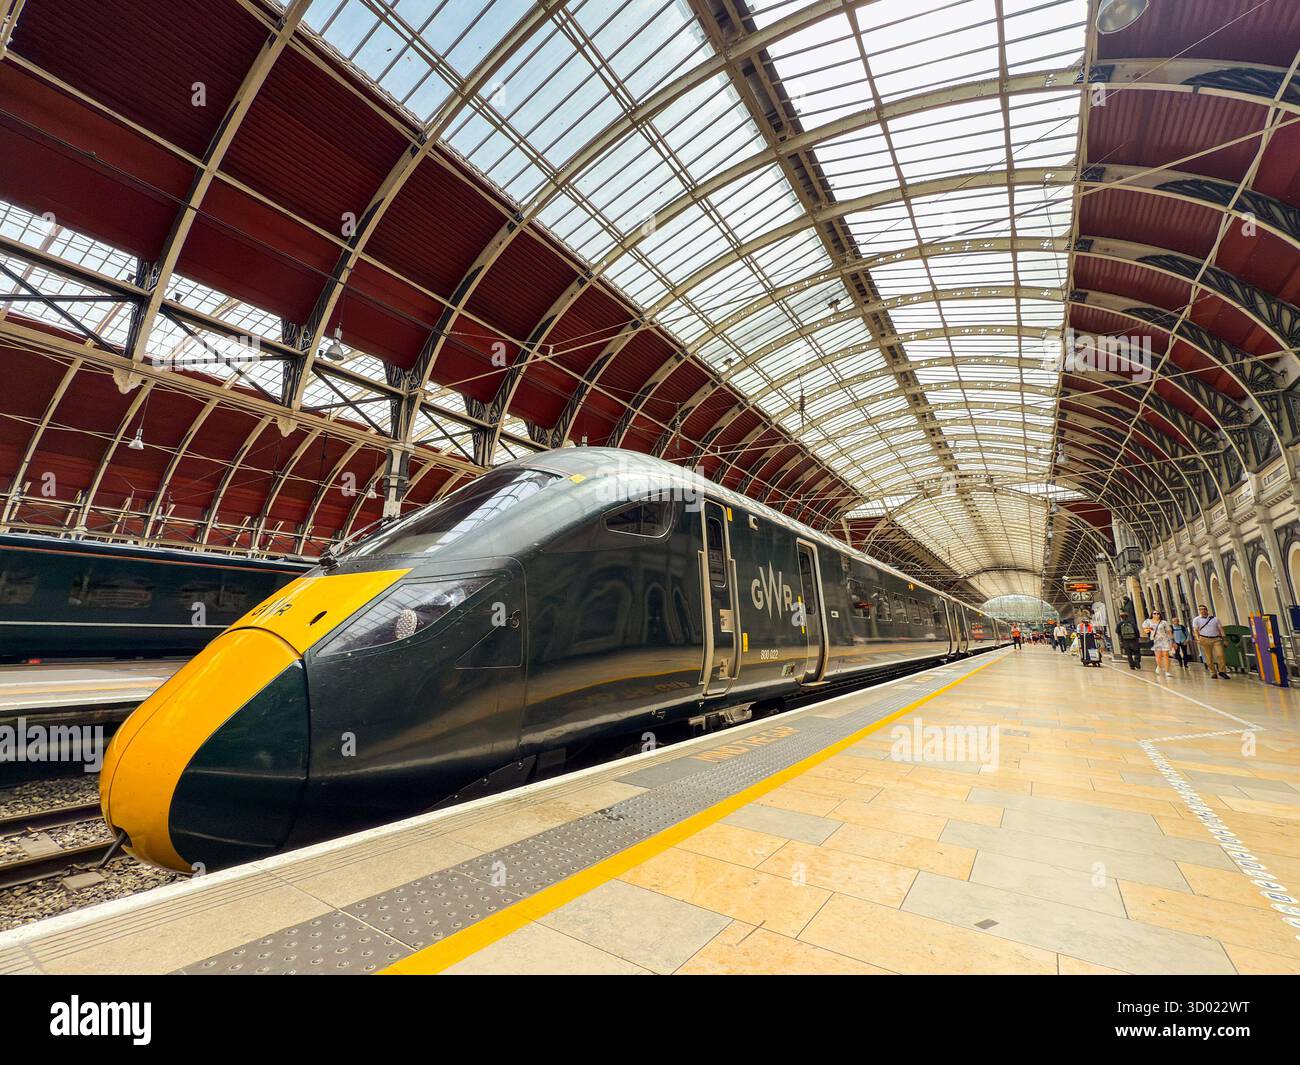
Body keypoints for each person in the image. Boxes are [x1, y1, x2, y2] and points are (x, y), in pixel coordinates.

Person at [1192, 605, 1230, 680]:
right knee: (1209, 657)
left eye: (1204, 609)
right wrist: (1198, 639)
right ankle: (1213, 672)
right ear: (1199, 611)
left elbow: (1220, 629)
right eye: (1201, 610)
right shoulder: (1196, 619)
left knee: (1220, 655)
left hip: (1216, 639)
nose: (1203, 611)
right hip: (1204, 639)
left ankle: (1222, 671)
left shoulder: (1215, 619)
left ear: (1207, 610)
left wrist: (1224, 639)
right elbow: (1195, 630)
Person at [1150, 610, 1174, 678]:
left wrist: (1171, 640)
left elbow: (1169, 631)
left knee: (1166, 655)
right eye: (1154, 613)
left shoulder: (1164, 622)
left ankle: (1167, 671)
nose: (1156, 614)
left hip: (1164, 640)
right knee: (1158, 656)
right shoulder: (1150, 623)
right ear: (1152, 615)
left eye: (1158, 613)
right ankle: (1159, 666)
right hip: (1156, 641)